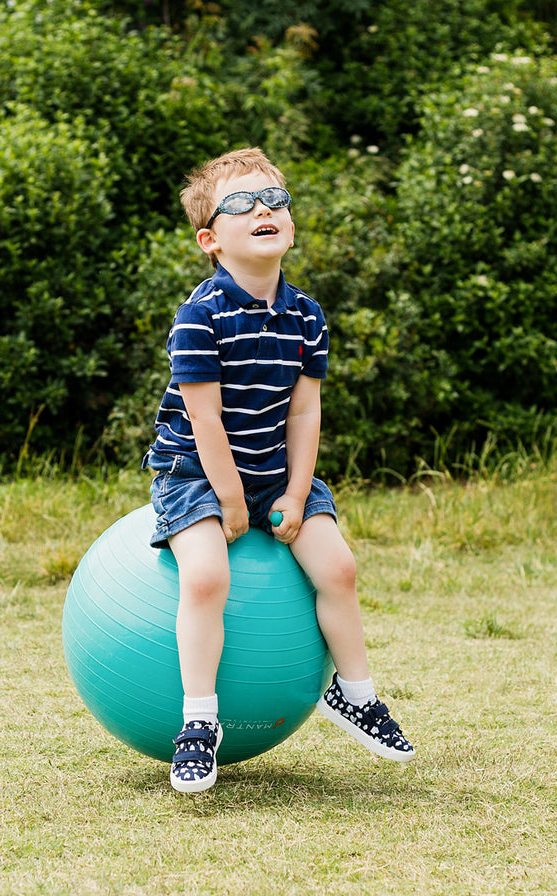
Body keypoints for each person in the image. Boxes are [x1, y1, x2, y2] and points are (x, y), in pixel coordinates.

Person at [143, 147, 414, 793]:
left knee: (339, 568)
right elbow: (205, 421)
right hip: (194, 473)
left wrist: (295, 493)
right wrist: (231, 504)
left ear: (290, 224)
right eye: (241, 203)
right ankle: (199, 724)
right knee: (208, 577)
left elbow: (304, 412)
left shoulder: (306, 316)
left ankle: (355, 694)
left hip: (273, 470)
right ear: (210, 239)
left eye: (275, 200)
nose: (263, 208)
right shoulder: (200, 316)